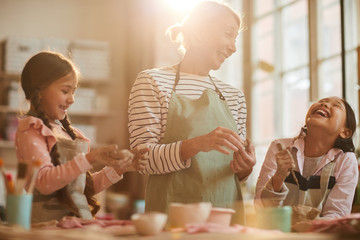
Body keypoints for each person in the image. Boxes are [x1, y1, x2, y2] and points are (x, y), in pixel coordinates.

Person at [128, 1, 255, 223]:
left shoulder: (234, 96)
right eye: (228, 34)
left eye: (235, 39)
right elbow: (143, 159)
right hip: (172, 218)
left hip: (224, 218)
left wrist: (245, 168)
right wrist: (195, 144)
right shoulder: (152, 82)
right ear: (198, 33)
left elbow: (235, 171)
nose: (233, 48)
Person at [16, 51, 147, 223]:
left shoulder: (71, 134)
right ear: (39, 91)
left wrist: (120, 168)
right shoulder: (31, 128)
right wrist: (90, 158)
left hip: (78, 224)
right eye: (65, 91)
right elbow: (44, 182)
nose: (72, 99)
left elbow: (80, 190)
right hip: (49, 229)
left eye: (73, 92)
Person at [255, 96, 359, 219]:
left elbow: (337, 213)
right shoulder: (279, 147)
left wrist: (308, 229)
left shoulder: (346, 160)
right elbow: (261, 207)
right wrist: (279, 176)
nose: (324, 104)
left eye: (336, 105)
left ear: (345, 132)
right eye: (321, 101)